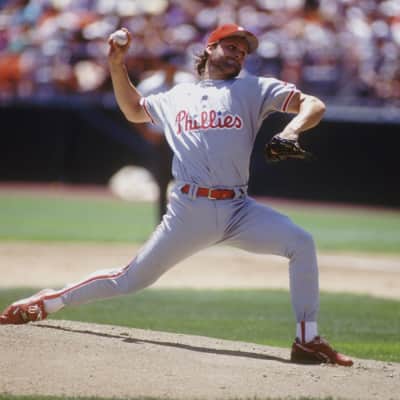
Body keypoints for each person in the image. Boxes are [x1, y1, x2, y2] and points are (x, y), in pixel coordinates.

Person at [0, 24, 353, 367]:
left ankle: (306, 339)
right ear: (210, 49)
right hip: (190, 211)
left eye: (243, 51)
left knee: (301, 243)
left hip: (238, 209)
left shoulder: (254, 88)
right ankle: (49, 302)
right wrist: (117, 65)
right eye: (231, 46)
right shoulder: (177, 96)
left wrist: (292, 131)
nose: (238, 54)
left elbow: (314, 104)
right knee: (129, 280)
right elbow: (133, 109)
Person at [134, 52, 196, 222]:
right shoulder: (149, 85)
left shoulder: (188, 82)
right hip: (159, 140)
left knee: (187, 182)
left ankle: (184, 222)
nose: (173, 68)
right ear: (161, 65)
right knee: (161, 183)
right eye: (170, 65)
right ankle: (161, 223)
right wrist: (146, 133)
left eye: (176, 64)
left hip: (182, 139)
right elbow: (134, 110)